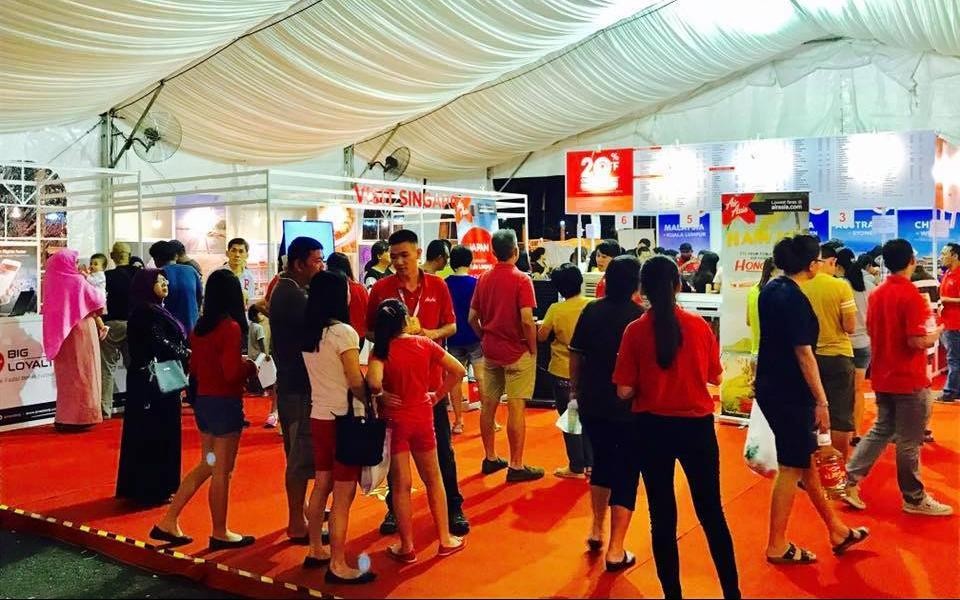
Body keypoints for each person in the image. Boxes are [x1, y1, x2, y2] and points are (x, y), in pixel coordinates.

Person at [613, 256, 740, 596]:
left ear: (642, 288)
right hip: (697, 428)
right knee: (711, 512)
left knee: (662, 516)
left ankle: (673, 594)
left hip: (651, 429)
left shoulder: (635, 331)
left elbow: (623, 390)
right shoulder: (699, 326)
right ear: (678, 284)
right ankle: (732, 592)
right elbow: (716, 377)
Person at [755, 234, 868, 565]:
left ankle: (836, 529)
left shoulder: (771, 289)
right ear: (811, 264)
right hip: (791, 391)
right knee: (792, 467)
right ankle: (776, 544)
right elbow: (804, 354)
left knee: (805, 464)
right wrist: (822, 401)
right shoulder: (793, 298)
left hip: (774, 385)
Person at [367, 229, 470, 536]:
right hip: (395, 392)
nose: (399, 262)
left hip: (430, 387)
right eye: (394, 256)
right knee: (394, 457)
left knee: (442, 453)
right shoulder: (381, 288)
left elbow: (451, 326)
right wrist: (395, 337)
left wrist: (427, 334)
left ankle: (453, 507)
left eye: (404, 255)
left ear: (418, 253)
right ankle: (394, 510)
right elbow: (369, 331)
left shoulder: (437, 285)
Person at [844, 239, 953, 516]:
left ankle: (850, 478)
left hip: (883, 374)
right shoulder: (911, 296)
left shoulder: (877, 293)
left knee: (882, 430)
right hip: (908, 378)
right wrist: (935, 334)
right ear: (911, 261)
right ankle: (914, 498)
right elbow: (916, 340)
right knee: (909, 440)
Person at [152, 270, 258, 550]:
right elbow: (231, 372)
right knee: (222, 470)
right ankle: (220, 531)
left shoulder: (200, 327)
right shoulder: (230, 327)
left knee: (208, 464)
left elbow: (196, 368)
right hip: (225, 404)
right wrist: (250, 367)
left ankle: (169, 519)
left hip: (204, 403)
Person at [367, 299, 467, 563]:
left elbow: (373, 382)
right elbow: (458, 371)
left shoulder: (381, 350)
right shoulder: (424, 343)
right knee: (434, 479)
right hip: (423, 415)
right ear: (405, 321)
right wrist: (437, 395)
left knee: (401, 485)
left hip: (395, 420)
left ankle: (407, 546)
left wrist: (382, 395)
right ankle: (445, 539)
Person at [300, 271, 377, 584]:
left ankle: (316, 548)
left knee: (322, 483)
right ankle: (338, 563)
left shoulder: (309, 332)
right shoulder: (344, 333)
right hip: (344, 420)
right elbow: (354, 380)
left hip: (319, 415)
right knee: (343, 494)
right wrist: (373, 396)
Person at [569, 255, 643, 566]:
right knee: (626, 471)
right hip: (630, 406)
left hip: (593, 401)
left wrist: (576, 390)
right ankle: (616, 549)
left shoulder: (592, 310)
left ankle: (596, 528)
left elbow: (576, 355)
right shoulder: (640, 318)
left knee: (600, 463)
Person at [469, 228, 543, 482]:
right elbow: (527, 319)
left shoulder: (483, 278)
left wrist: (484, 336)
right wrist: (532, 347)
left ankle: (490, 458)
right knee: (516, 407)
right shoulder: (522, 279)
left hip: (491, 350)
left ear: (493, 252)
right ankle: (516, 465)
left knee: (488, 406)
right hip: (517, 351)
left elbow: (472, 317)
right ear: (516, 251)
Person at [116, 269, 190, 506]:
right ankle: (152, 489)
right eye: (159, 281)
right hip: (153, 382)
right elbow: (159, 342)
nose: (165, 283)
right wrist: (185, 353)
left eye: (165, 280)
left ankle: (154, 487)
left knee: (156, 432)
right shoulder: (146, 312)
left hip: (152, 379)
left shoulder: (153, 309)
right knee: (155, 433)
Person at [269, 236, 325, 543]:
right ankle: (295, 522)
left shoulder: (287, 289)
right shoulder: (293, 295)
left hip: (292, 383)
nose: (320, 266)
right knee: (300, 458)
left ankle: (300, 513)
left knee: (296, 453)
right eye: (316, 261)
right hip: (299, 386)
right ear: (298, 263)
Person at [800, 243, 858, 462]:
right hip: (838, 356)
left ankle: (810, 466)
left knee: (809, 412)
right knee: (840, 416)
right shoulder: (840, 286)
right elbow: (850, 326)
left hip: (808, 356)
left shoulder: (800, 286)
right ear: (831, 262)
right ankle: (837, 467)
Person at [537, 263, 592, 479]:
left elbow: (542, 336)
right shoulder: (592, 304)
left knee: (571, 420)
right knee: (590, 418)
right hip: (589, 371)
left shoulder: (556, 309)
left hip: (563, 371)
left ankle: (576, 466)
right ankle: (591, 463)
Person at [42, 248, 107, 431]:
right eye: (75, 262)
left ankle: (64, 416)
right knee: (84, 373)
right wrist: (88, 280)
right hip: (81, 330)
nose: (78, 265)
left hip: (61, 335)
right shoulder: (77, 280)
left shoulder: (50, 280)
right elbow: (98, 300)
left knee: (67, 378)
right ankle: (81, 418)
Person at [836, 249, 873, 446]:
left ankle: (840, 432)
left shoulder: (840, 286)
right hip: (864, 344)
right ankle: (856, 432)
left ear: (838, 266)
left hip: (843, 344)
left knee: (840, 391)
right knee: (858, 390)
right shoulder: (869, 285)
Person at [445, 245, 483, 435]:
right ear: (470, 261)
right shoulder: (476, 283)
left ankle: (458, 421)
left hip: (453, 337)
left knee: (455, 381)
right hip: (475, 335)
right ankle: (488, 420)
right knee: (482, 378)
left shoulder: (445, 284)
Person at [101, 242, 138, 418]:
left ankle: (105, 409)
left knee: (107, 368)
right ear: (129, 255)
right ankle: (136, 406)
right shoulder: (139, 274)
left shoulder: (106, 276)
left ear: (112, 256)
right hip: (135, 323)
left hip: (112, 324)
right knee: (135, 367)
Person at [150, 240, 203, 334]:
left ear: (156, 259)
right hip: (192, 327)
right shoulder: (191, 270)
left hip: (170, 329)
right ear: (175, 256)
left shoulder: (158, 274)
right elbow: (199, 296)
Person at [326, 252, 370, 346]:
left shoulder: (331, 288)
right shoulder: (360, 288)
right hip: (359, 335)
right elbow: (367, 311)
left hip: (339, 335)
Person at [248, 304, 278, 429]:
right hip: (261, 356)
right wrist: (266, 354)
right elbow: (262, 343)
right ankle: (274, 412)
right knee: (272, 379)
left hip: (252, 356)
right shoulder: (259, 327)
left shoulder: (251, 326)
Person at [939, 242, 960, 403]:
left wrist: (945, 300)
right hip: (948, 322)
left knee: (953, 359)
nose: (941, 257)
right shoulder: (947, 273)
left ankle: (950, 391)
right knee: (954, 358)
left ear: (954, 255)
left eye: (944, 253)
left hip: (956, 323)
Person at [746, 258, 777, 355]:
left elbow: (748, 321)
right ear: (772, 272)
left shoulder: (752, 291)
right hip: (773, 354)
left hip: (755, 352)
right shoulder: (777, 292)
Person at [222, 238, 256, 305]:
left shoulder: (249, 276)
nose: (237, 255)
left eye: (241, 251)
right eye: (233, 251)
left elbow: (250, 299)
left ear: (247, 255)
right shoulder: (216, 274)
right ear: (227, 253)